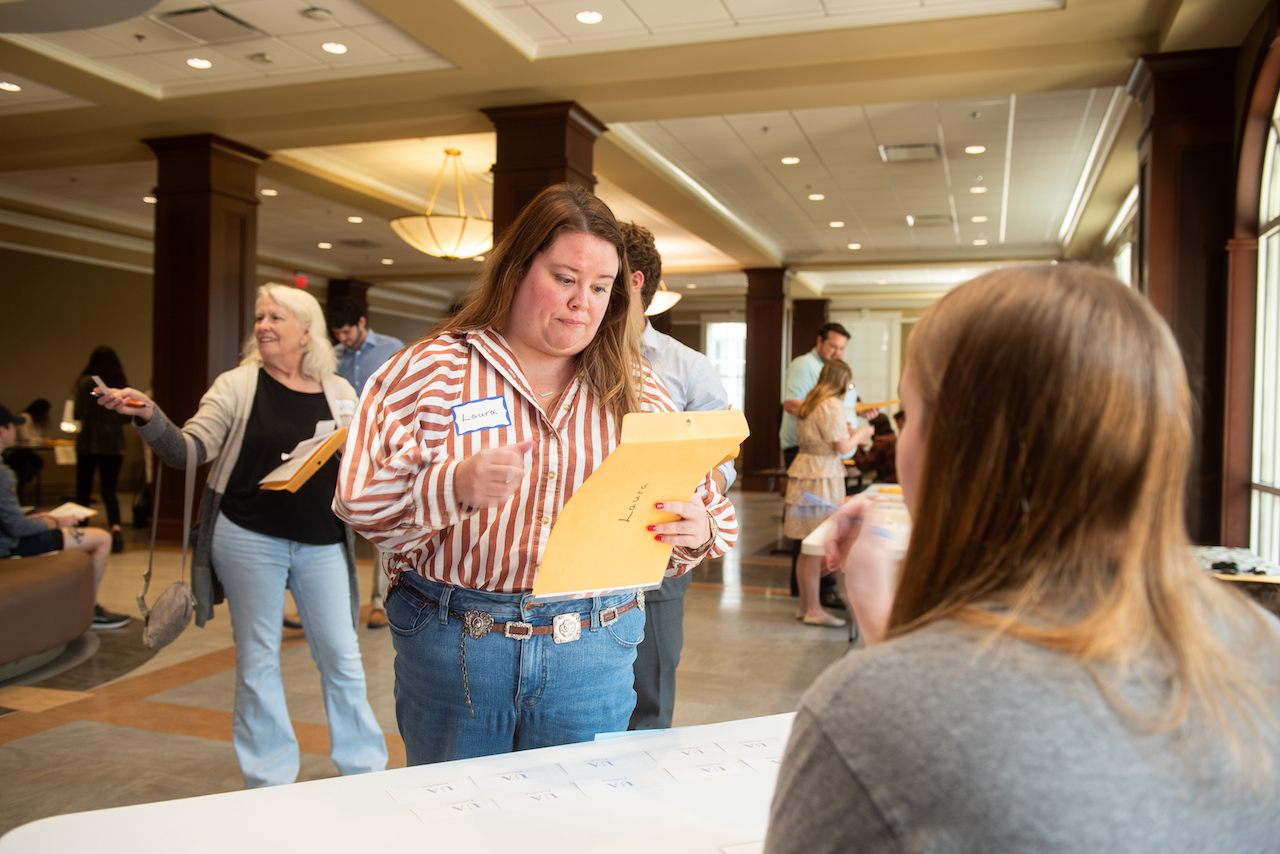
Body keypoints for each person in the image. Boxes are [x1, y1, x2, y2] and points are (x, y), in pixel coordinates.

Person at [766, 265, 1280, 852]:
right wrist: (887, 630)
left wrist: (883, 667)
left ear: (960, 449)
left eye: (911, 414)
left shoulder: (862, 714)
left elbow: (931, 734)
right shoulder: (1262, 645)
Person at [334, 183, 738, 765]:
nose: (583, 303)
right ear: (517, 270)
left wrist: (698, 528)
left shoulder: (638, 391)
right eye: (565, 279)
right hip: (459, 646)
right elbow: (359, 501)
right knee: (458, 823)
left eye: (600, 288)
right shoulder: (430, 370)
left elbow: (708, 512)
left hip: (594, 648)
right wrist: (453, 486)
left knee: (574, 827)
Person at [96, 284, 387, 789]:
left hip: (320, 541)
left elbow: (363, 463)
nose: (263, 325)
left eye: (276, 316)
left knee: (342, 656)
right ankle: (268, 777)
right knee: (257, 658)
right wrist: (147, 416)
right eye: (259, 317)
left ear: (305, 329)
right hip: (249, 535)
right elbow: (188, 450)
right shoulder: (237, 384)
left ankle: (364, 770)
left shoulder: (340, 391)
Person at [620, 220, 736, 730]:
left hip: (658, 545)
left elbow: (720, 463)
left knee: (651, 689)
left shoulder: (687, 368)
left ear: (635, 281)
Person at [0, 404, 129, 629]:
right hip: (8, 545)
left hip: (7, 536)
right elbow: (17, 529)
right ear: (2, 430)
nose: (15, 431)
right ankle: (90, 609)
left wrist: (32, 515)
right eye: (12, 426)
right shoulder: (3, 474)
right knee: (101, 537)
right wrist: (54, 522)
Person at [325, 296, 404, 630]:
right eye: (337, 334)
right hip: (336, 450)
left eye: (346, 332)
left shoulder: (391, 348)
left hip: (379, 450)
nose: (342, 339)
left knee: (381, 528)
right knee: (329, 526)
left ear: (361, 323)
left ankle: (379, 602)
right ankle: (326, 600)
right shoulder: (332, 358)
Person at [784, 360, 870, 627]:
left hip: (804, 471)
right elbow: (842, 446)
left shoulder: (810, 400)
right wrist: (862, 434)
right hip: (822, 475)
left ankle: (806, 606)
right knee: (816, 546)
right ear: (842, 381)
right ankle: (813, 609)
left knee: (806, 547)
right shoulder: (831, 403)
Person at [73, 347, 131, 553]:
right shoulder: (121, 385)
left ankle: (80, 535)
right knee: (109, 492)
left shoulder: (86, 383)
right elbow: (128, 415)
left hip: (88, 444)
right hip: (114, 445)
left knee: (83, 492)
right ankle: (116, 531)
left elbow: (78, 412)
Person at [3, 398, 50, 493]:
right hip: (13, 452)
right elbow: (25, 437)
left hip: (25, 451)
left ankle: (23, 486)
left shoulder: (36, 420)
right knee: (25, 464)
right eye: (11, 425)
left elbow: (35, 436)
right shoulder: (25, 417)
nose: (14, 429)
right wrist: (41, 440)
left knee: (38, 462)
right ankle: (21, 490)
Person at [852, 412, 897, 484]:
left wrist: (854, 443)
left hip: (887, 482)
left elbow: (864, 466)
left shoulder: (881, 442)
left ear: (874, 427)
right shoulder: (893, 437)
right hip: (897, 481)